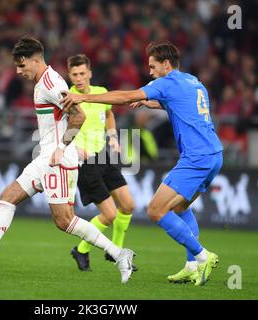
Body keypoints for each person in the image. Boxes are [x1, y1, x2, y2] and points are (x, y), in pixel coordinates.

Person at [0, 37, 135, 284]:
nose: (18, 71)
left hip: (58, 159)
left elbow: (78, 116)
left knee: (64, 221)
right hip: (45, 157)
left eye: (21, 65)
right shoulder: (43, 82)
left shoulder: (51, 83)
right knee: (7, 198)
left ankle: (119, 253)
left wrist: (61, 147)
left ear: (35, 60)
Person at [61, 42, 222, 286]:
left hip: (196, 157)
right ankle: (191, 266)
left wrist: (84, 97)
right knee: (180, 208)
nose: (150, 72)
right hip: (214, 155)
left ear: (166, 65)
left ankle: (202, 256)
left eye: (153, 66)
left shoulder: (167, 82)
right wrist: (152, 103)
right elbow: (178, 104)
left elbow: (126, 97)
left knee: (156, 210)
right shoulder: (193, 82)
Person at [67, 54, 137, 272]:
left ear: (89, 73)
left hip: (103, 156)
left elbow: (108, 115)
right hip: (85, 162)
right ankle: (81, 249)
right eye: (74, 74)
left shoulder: (101, 93)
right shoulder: (67, 97)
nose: (78, 78)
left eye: (81, 73)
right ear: (69, 75)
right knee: (109, 214)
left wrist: (113, 137)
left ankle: (114, 250)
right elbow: (58, 127)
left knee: (128, 206)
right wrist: (73, 148)